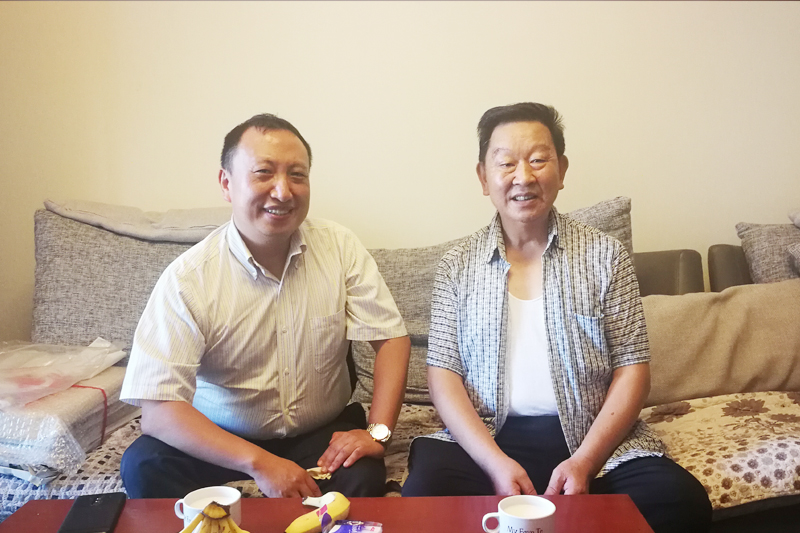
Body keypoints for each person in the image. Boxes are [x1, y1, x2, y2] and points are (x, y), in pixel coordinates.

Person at [401, 103, 711, 532]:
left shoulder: (606, 256)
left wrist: (585, 462)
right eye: (506, 163)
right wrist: (495, 463)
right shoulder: (457, 266)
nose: (523, 177)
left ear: (561, 170)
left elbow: (633, 371)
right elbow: (443, 376)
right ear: (483, 177)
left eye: (538, 160)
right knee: (424, 494)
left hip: (591, 435)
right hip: (489, 437)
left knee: (680, 500)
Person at [120, 114, 410, 499]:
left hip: (320, 434)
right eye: (264, 173)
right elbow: (158, 410)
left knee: (363, 476)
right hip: (221, 438)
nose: (283, 191)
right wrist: (260, 463)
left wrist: (377, 433)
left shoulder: (340, 248)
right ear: (227, 183)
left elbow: (391, 340)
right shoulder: (189, 278)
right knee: (144, 466)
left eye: (297, 175)